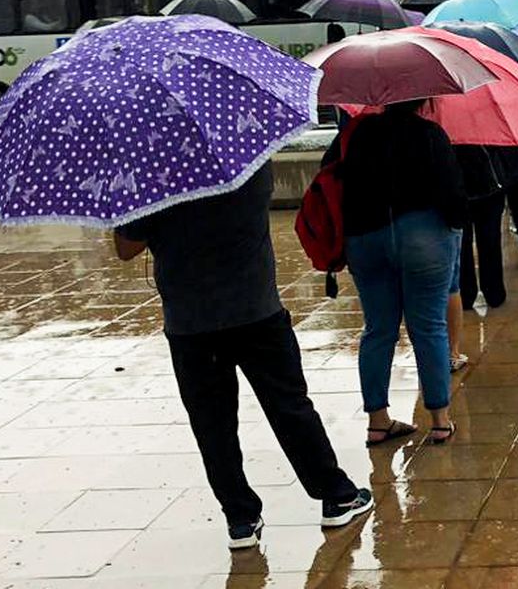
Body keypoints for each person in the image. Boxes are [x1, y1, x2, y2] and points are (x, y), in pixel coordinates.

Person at [113, 166, 373, 550]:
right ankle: (335, 494)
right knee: (289, 406)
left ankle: (240, 519)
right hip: (256, 310)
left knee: (212, 424)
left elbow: (125, 249)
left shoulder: (152, 176)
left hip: (190, 323)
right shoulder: (250, 166)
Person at [337, 101, 468, 446]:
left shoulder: (360, 134)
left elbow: (341, 185)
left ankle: (377, 421)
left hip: (366, 237)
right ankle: (440, 420)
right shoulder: (430, 135)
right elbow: (453, 196)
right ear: (423, 99)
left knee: (378, 329)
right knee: (428, 326)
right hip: (423, 237)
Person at [456, 144, 518, 309]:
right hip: (489, 183)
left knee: (463, 241)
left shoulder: (449, 125)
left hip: (461, 183)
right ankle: (494, 292)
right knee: (490, 238)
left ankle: (466, 294)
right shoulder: (492, 121)